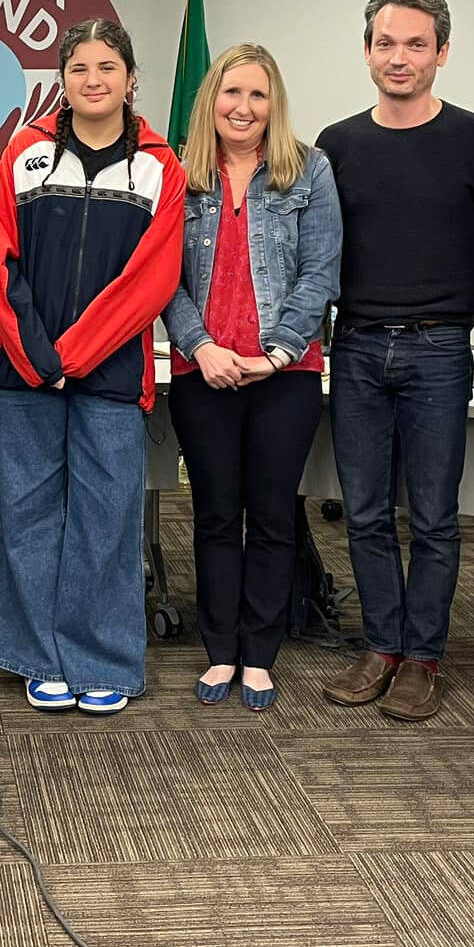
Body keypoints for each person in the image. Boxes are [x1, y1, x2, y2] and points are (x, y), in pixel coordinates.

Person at [314, 0, 474, 720]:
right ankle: (380, 646)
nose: (398, 58)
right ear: (367, 51)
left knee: (432, 516)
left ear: (441, 52)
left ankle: (423, 658)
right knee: (364, 511)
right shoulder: (335, 145)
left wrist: (459, 315)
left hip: (439, 348)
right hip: (358, 346)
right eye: (385, 44)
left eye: (415, 44)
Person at [0, 17, 184, 715]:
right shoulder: (24, 153)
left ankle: (101, 658)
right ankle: (38, 655)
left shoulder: (161, 166)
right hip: (24, 373)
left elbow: (151, 279)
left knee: (106, 517)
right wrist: (39, 356)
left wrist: (76, 354)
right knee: (28, 513)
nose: (93, 81)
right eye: (78, 69)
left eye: (107, 68)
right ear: (61, 81)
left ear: (130, 79)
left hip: (109, 377)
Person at [163, 43, 341, 711]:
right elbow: (162, 278)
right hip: (200, 371)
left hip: (284, 375)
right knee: (213, 515)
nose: (243, 107)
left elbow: (320, 271)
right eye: (232, 93)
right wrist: (200, 345)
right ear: (211, 99)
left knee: (271, 516)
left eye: (257, 95)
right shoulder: (179, 176)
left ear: (275, 104)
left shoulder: (309, 171)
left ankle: (260, 655)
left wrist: (277, 352)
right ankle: (221, 651)